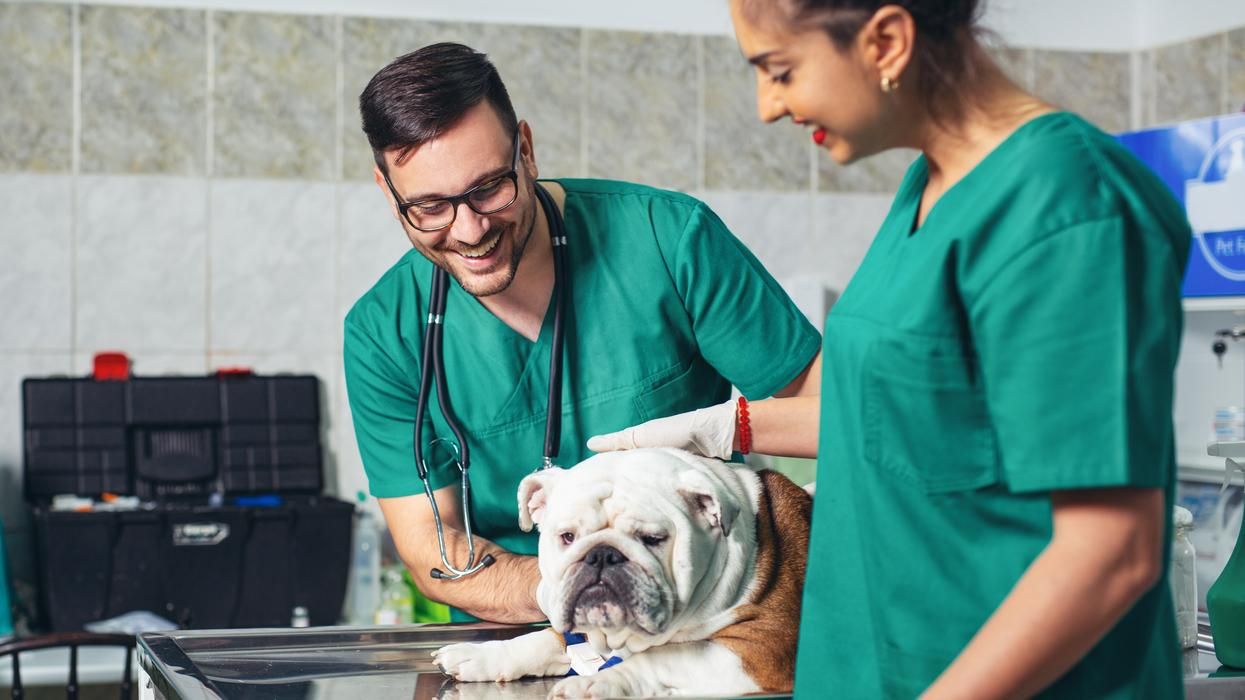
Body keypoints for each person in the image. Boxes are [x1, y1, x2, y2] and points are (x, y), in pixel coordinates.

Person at [588, 0, 1191, 696]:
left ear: (885, 41)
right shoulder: (928, 186)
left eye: (778, 71)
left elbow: (1109, 553)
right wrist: (727, 426)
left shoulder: (1072, 207)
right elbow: (910, 416)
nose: (766, 106)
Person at [343, 42, 822, 624]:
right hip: (513, 644)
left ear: (526, 149)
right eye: (429, 207)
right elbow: (430, 546)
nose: (468, 230)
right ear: (387, 191)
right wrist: (572, 585)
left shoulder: (669, 241)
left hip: (698, 632)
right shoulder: (382, 332)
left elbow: (839, 416)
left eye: (489, 187)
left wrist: (729, 426)